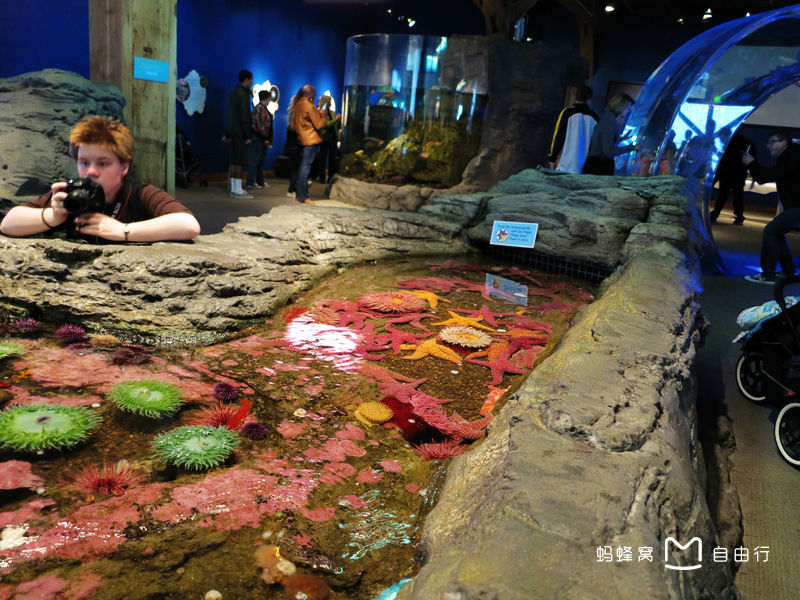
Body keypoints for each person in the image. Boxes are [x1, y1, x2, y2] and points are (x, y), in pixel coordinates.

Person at [0, 115, 200, 242]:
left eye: (103, 163)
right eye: (84, 162)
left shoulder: (140, 193)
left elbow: (188, 224)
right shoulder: (71, 193)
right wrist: (53, 216)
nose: (91, 172)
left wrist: (124, 231)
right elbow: (8, 223)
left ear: (124, 165)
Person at [742, 131, 800, 284]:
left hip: (797, 206)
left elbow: (767, 176)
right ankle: (789, 272)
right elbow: (766, 176)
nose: (768, 146)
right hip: (794, 205)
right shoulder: (790, 156)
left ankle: (768, 274)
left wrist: (751, 163)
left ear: (784, 142)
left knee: (771, 230)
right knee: (777, 231)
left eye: (772, 142)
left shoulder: (791, 156)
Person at [547, 84, 599, 173]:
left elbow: (558, 136)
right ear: (589, 98)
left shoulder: (567, 113)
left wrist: (552, 159)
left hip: (566, 165)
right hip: (585, 167)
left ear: (575, 96)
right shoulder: (595, 117)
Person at [582, 93, 637, 176]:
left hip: (595, 164)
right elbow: (608, 151)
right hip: (599, 166)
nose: (629, 110)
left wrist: (621, 139)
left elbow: (603, 141)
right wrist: (632, 148)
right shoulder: (610, 122)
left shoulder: (608, 119)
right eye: (627, 107)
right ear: (619, 106)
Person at [290, 85, 326, 204]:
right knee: (305, 168)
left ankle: (300, 194)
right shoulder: (310, 106)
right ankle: (303, 196)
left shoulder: (297, 105)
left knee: (302, 168)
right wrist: (323, 115)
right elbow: (319, 125)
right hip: (310, 140)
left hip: (301, 139)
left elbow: (294, 125)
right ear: (311, 94)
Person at [710, 131, 755, 225]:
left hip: (726, 172)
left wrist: (717, 176)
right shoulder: (748, 143)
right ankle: (739, 216)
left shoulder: (728, 142)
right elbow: (752, 159)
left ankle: (715, 214)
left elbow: (723, 159)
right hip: (740, 173)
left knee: (723, 194)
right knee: (738, 195)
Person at [227, 69, 254, 199]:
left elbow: (231, 116)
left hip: (233, 132)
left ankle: (234, 188)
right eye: (251, 80)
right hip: (241, 133)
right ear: (247, 79)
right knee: (239, 162)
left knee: (233, 161)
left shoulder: (233, 94)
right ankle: (238, 190)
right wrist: (248, 135)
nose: (252, 82)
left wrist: (227, 133)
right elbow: (244, 117)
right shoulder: (244, 95)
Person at [249, 89, 274, 189]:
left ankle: (260, 181)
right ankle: (250, 181)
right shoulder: (259, 108)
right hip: (258, 138)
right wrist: (265, 137)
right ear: (266, 98)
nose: (269, 101)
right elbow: (259, 125)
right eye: (269, 99)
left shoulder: (262, 108)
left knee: (260, 161)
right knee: (255, 160)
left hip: (261, 138)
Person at [316, 102, 341, 184]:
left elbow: (335, 125)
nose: (329, 103)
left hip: (333, 138)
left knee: (332, 159)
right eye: (328, 101)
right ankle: (322, 177)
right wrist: (335, 120)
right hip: (324, 138)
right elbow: (325, 124)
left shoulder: (332, 113)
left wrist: (338, 121)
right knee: (322, 158)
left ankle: (331, 177)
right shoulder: (321, 113)